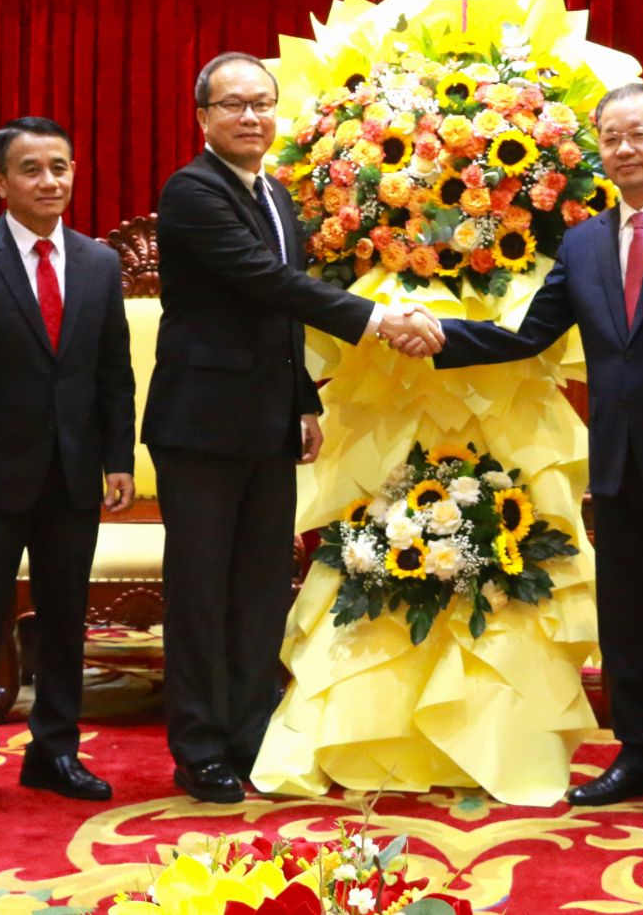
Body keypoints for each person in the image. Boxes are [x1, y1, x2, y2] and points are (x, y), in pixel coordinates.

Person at [405, 82, 643, 826]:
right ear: (598, 151)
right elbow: (529, 335)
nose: (626, 148)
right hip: (617, 465)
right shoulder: (583, 241)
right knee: (626, 620)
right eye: (612, 138)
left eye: (640, 134)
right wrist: (442, 332)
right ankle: (637, 755)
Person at [143, 51, 426, 805]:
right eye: (232, 105)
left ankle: (248, 731)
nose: (250, 117)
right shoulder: (192, 191)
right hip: (200, 428)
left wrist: (303, 400)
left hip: (267, 422)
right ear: (202, 116)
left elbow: (276, 319)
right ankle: (199, 747)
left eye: (261, 103)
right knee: (202, 592)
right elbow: (267, 282)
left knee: (262, 587)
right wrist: (375, 318)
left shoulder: (273, 192)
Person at [0, 117, 135, 816]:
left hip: (73, 475)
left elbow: (114, 370)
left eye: (61, 167)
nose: (50, 181)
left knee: (65, 620)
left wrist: (117, 456)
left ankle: (55, 751)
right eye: (31, 169)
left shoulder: (99, 263)